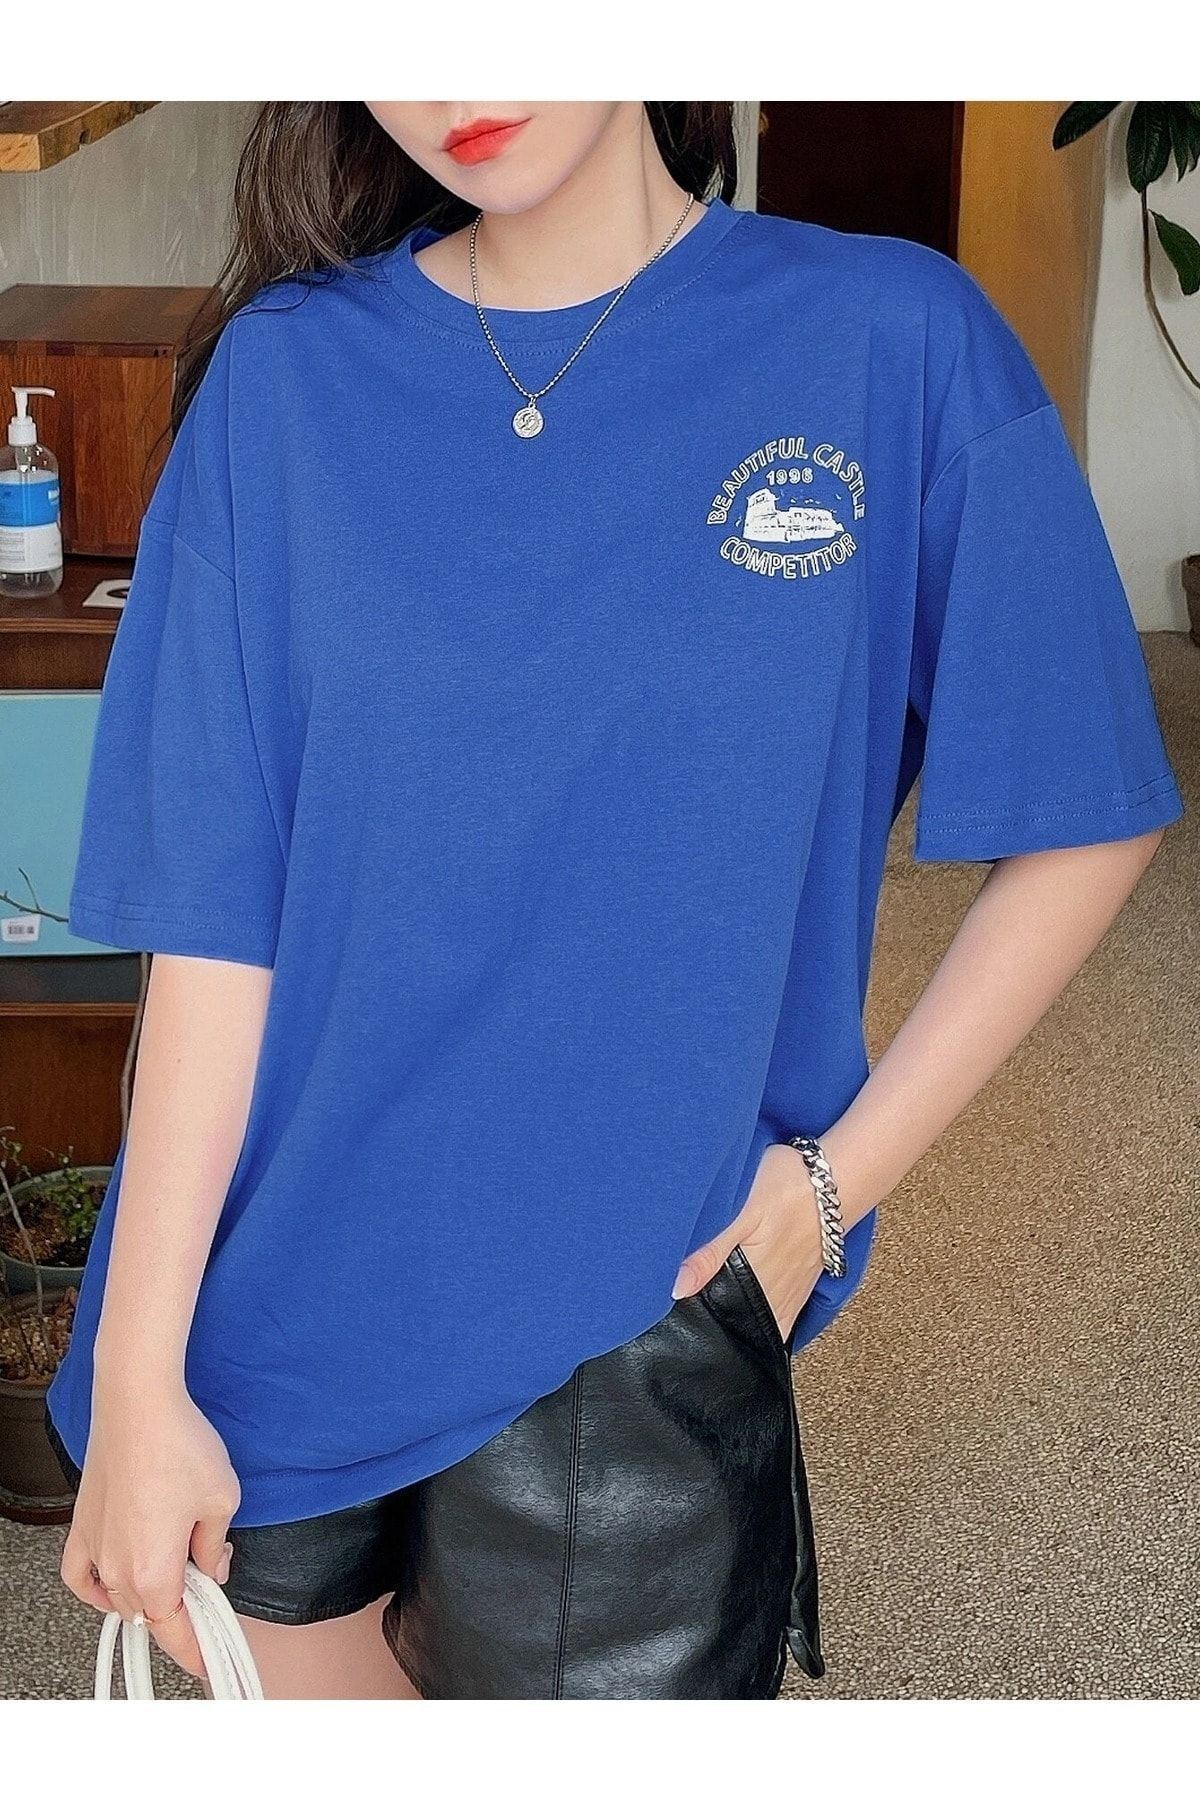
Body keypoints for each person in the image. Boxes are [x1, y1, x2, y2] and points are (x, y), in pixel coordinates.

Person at [46, 101, 1183, 1700]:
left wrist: (827, 1193)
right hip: (270, 1304)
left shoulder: (890, 337)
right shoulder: (286, 377)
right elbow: (217, 918)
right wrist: (141, 1367)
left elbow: (1087, 812)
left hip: (637, 1319)